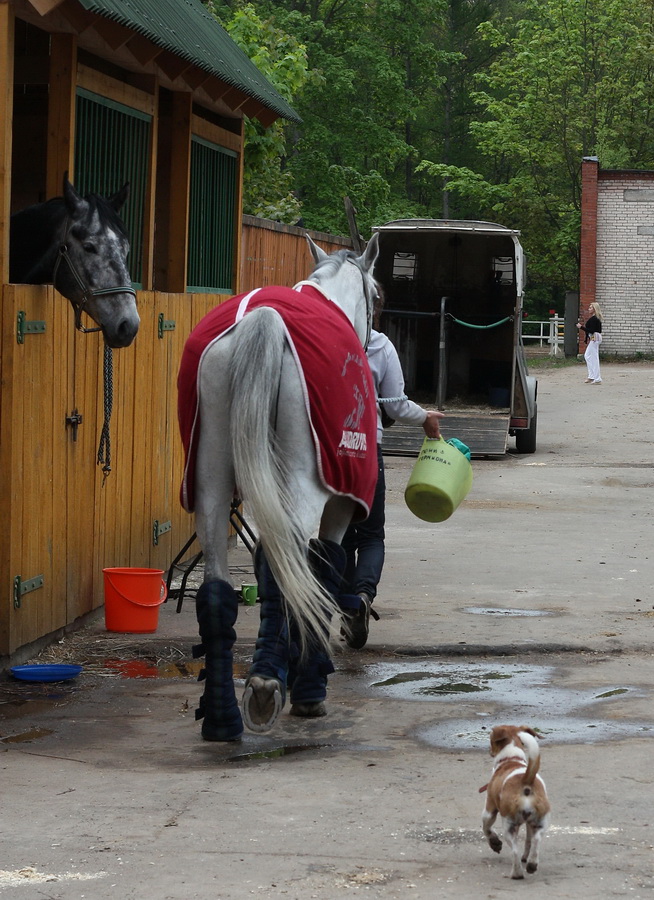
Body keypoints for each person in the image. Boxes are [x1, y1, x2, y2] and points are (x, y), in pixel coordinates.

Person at [339, 328, 443, 648]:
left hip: (333, 449)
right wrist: (425, 416)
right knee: (371, 535)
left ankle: (347, 606)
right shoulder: (381, 344)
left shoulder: (328, 337)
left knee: (340, 534)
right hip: (368, 449)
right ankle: (362, 596)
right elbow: (396, 406)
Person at [577, 302, 603, 384]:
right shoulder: (594, 318)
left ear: (594, 309)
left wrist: (581, 327)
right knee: (588, 356)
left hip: (595, 337)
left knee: (593, 357)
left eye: (591, 307)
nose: (589, 309)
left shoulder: (594, 319)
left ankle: (597, 378)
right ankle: (592, 376)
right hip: (594, 337)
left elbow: (591, 330)